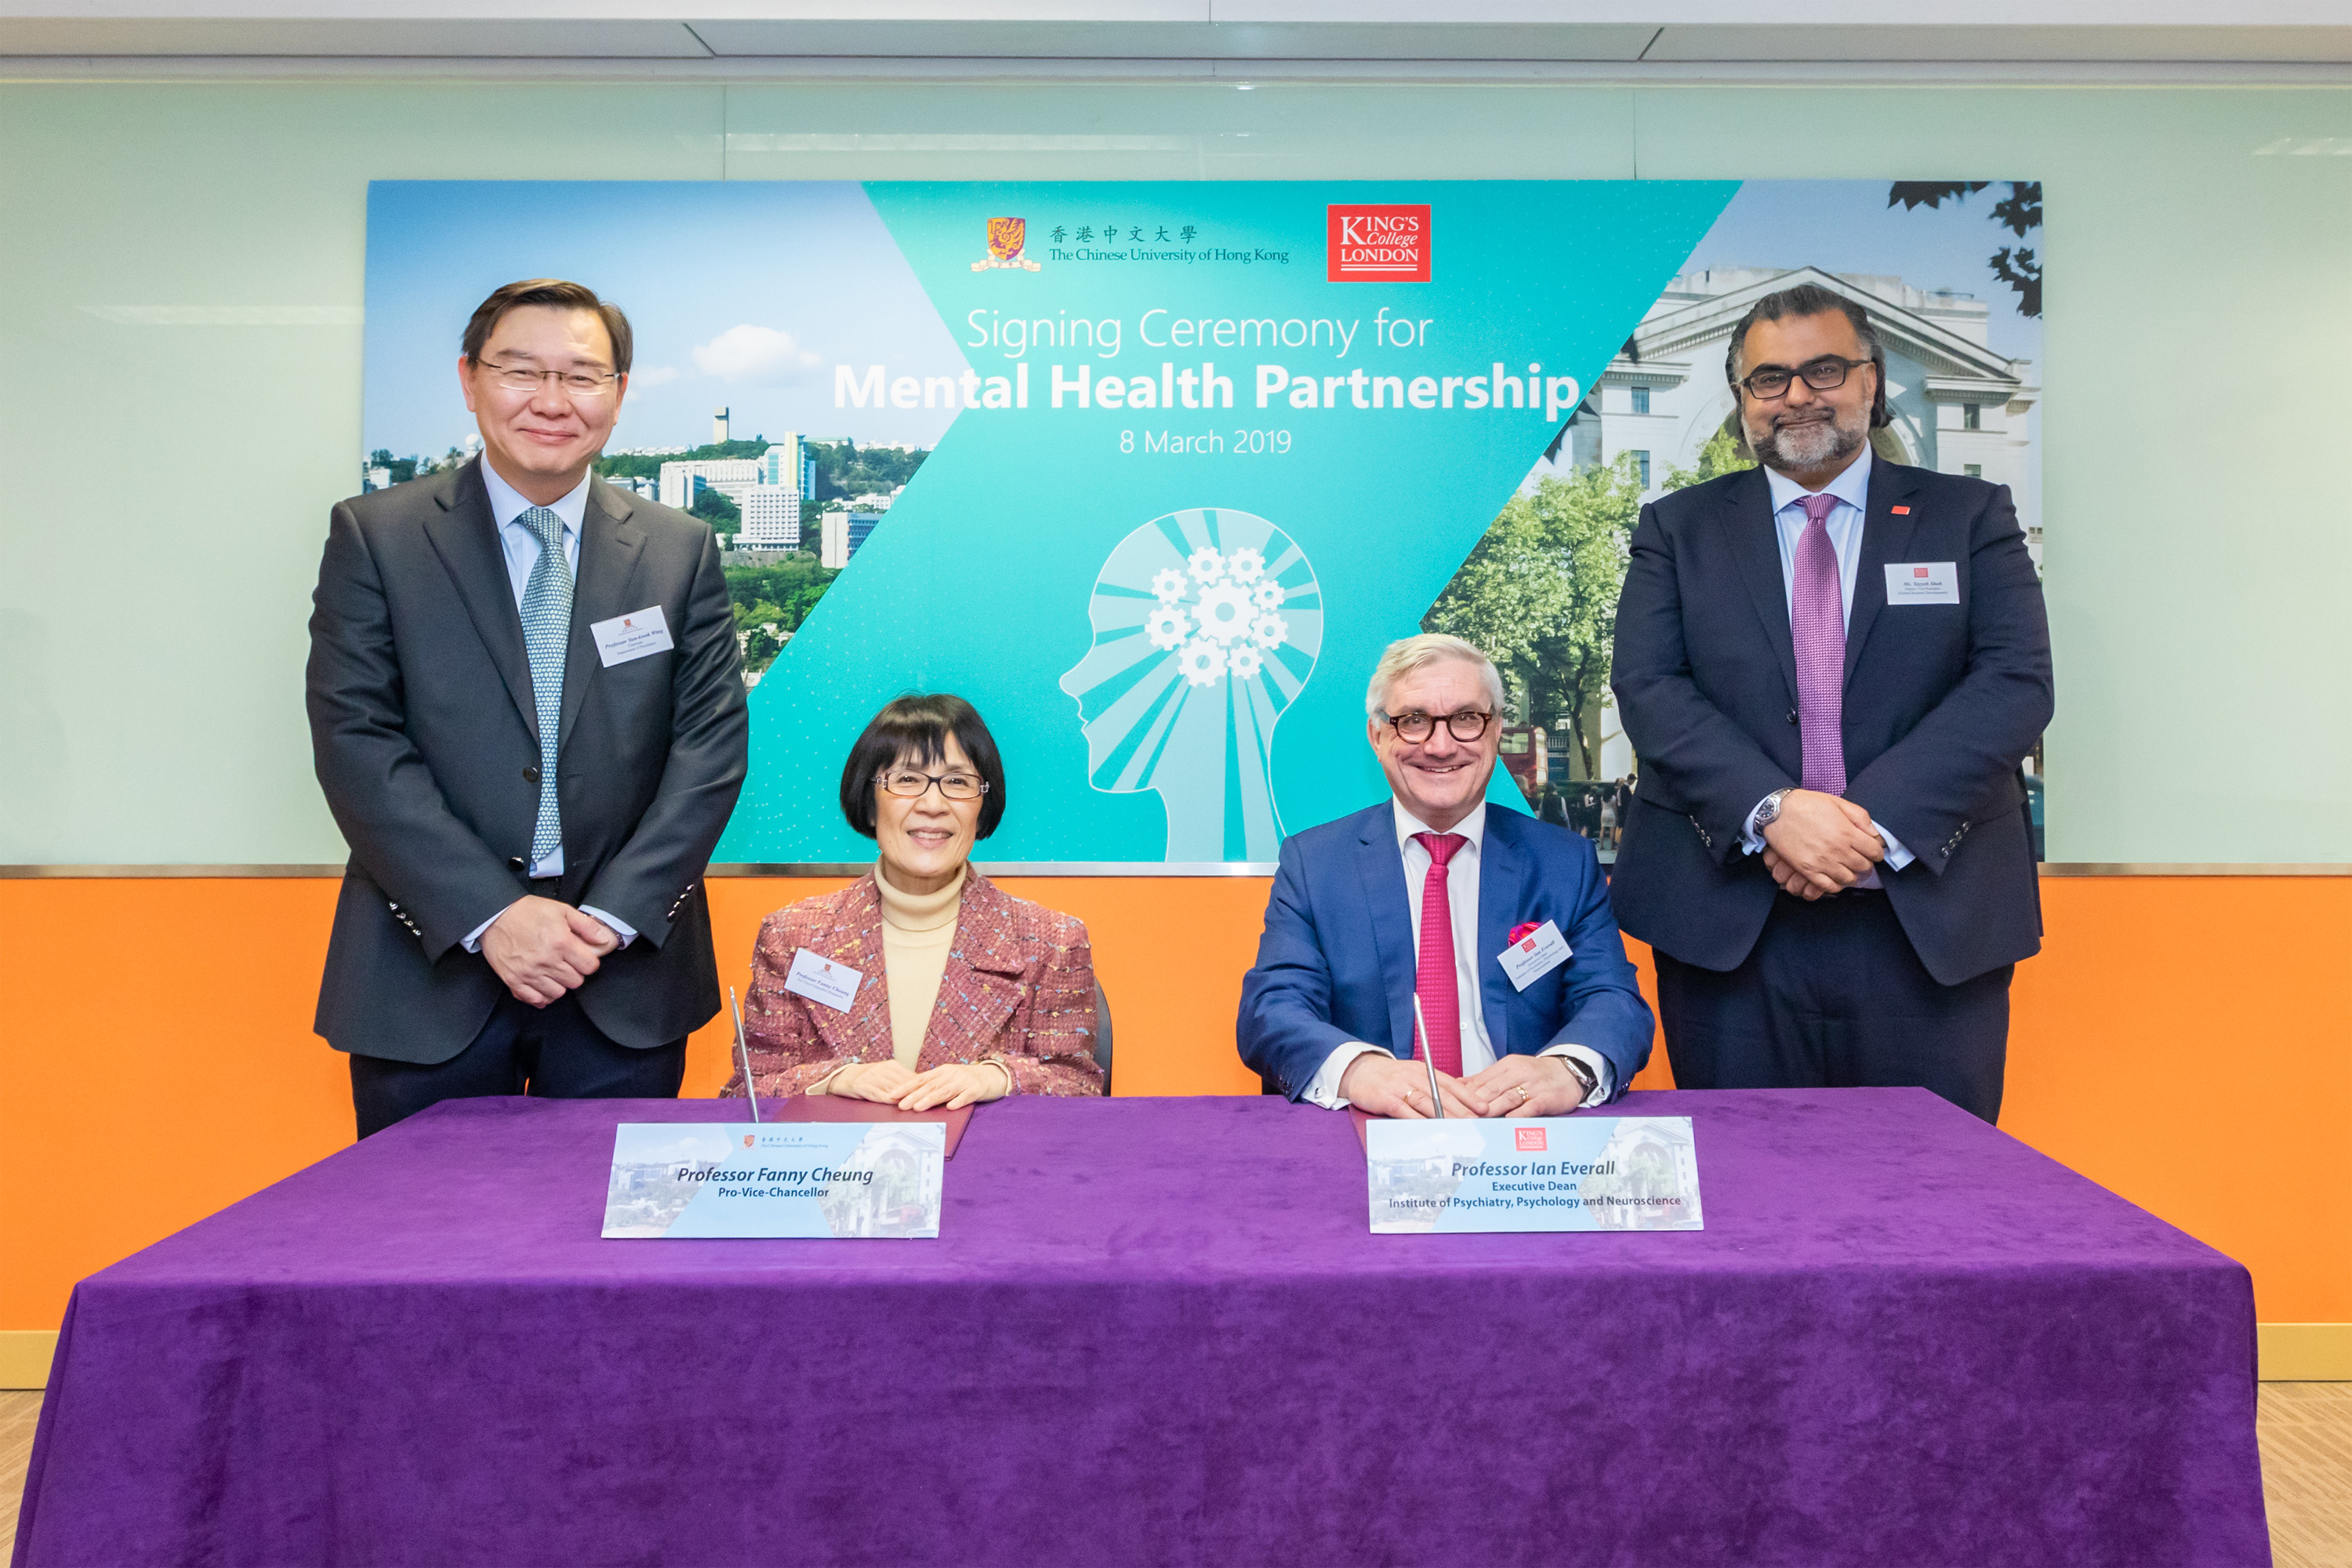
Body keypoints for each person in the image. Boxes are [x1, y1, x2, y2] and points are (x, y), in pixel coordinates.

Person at [307, 278, 749, 1138]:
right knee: (423, 1243)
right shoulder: (378, 537)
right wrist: (493, 914)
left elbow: (710, 748)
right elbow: (357, 739)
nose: (552, 401)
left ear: (619, 396)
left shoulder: (677, 550)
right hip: (426, 964)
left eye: (582, 376)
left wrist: (610, 917)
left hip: (620, 974)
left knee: (608, 1255)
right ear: (471, 380)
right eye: (521, 371)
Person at [1608, 282, 2053, 1122]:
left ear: (1872, 381)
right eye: (1767, 379)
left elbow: (2014, 682)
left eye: (1824, 369)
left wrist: (1860, 828)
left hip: (1929, 920)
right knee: (1748, 1194)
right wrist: (1774, 810)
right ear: (1742, 400)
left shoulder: (1968, 516)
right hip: (1731, 928)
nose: (1798, 396)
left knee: (1928, 1192)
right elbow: (1650, 688)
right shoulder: (1677, 529)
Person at [1237, 633, 1654, 1118]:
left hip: (1525, 1148)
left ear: (1495, 730)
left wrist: (1568, 1069)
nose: (1440, 746)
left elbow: (1614, 1001)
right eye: (1413, 721)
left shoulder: (1564, 864)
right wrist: (1362, 1072)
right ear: (1378, 736)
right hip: (1373, 1136)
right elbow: (1272, 1011)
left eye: (1465, 719)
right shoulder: (1314, 864)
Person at [726, 695, 1104, 1107]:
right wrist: (834, 1078)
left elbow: (1078, 1089)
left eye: (957, 782)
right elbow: (747, 1091)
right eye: (907, 780)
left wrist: (1000, 1078)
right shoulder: (793, 936)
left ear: (982, 807)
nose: (933, 804)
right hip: (840, 1171)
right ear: (870, 803)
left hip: (989, 1167)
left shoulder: (1051, 941)